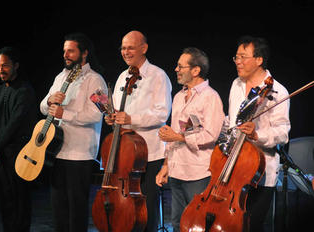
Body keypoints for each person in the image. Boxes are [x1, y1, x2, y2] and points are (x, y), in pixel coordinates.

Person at [105, 30, 172, 231]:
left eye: (130, 47)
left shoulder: (158, 76)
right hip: (124, 153)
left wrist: (131, 119)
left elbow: (162, 114)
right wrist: (112, 117)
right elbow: (118, 110)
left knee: (146, 209)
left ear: (144, 48)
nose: (125, 52)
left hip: (148, 154)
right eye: (123, 48)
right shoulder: (122, 77)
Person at [40, 33, 107, 232]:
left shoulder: (96, 80)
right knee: (59, 210)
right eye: (64, 51)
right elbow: (43, 107)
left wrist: (65, 114)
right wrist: (50, 100)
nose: (66, 55)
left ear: (84, 53)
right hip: (57, 151)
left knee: (76, 211)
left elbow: (97, 115)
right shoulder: (60, 76)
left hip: (80, 154)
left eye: (71, 50)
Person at [155, 47, 225, 232]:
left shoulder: (211, 97)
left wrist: (178, 136)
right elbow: (172, 135)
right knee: (178, 224)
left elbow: (211, 135)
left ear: (196, 70)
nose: (176, 70)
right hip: (178, 170)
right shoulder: (178, 96)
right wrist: (165, 166)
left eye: (180, 66)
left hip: (198, 173)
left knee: (198, 224)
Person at [227, 35, 291, 232]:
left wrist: (257, 135)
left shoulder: (278, 91)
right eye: (236, 57)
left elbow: (283, 133)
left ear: (259, 60)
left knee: (252, 225)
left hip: (259, 171)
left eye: (243, 57)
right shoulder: (236, 85)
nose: (238, 62)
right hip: (232, 167)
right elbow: (231, 122)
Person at [0, 46, 38, 232]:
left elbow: (14, 124)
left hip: (20, 154)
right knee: (6, 200)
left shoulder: (25, 90)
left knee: (20, 199)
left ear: (16, 65)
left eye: (5, 66)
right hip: (2, 155)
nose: (0, 70)